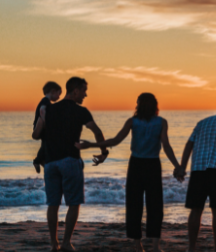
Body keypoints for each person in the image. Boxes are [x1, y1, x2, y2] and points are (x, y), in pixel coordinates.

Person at [76, 93, 181, 252]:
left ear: (139, 105)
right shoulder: (161, 122)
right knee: (155, 205)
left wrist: (91, 144)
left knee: (134, 204)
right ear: (155, 105)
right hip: (152, 165)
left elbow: (115, 141)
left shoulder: (133, 122)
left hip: (136, 165)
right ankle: (155, 246)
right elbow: (166, 146)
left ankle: (138, 245)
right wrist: (177, 165)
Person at [32, 77, 109, 252]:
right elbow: (97, 131)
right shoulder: (81, 111)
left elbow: (36, 135)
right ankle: (66, 242)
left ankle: (54, 244)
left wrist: (42, 120)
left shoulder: (48, 109)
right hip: (70, 161)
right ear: (75, 91)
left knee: (53, 204)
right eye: (83, 91)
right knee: (73, 203)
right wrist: (104, 153)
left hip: (51, 163)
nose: (85, 94)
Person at [177, 101, 216, 252]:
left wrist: (182, 167)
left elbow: (188, 145)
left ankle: (191, 248)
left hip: (198, 169)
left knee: (195, 209)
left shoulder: (202, 122)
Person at [33, 81, 62, 173]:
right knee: (46, 143)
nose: (59, 97)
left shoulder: (46, 101)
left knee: (45, 144)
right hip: (42, 127)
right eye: (59, 93)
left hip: (43, 128)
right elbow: (42, 110)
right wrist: (46, 122)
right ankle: (37, 160)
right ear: (53, 91)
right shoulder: (46, 101)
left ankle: (41, 161)